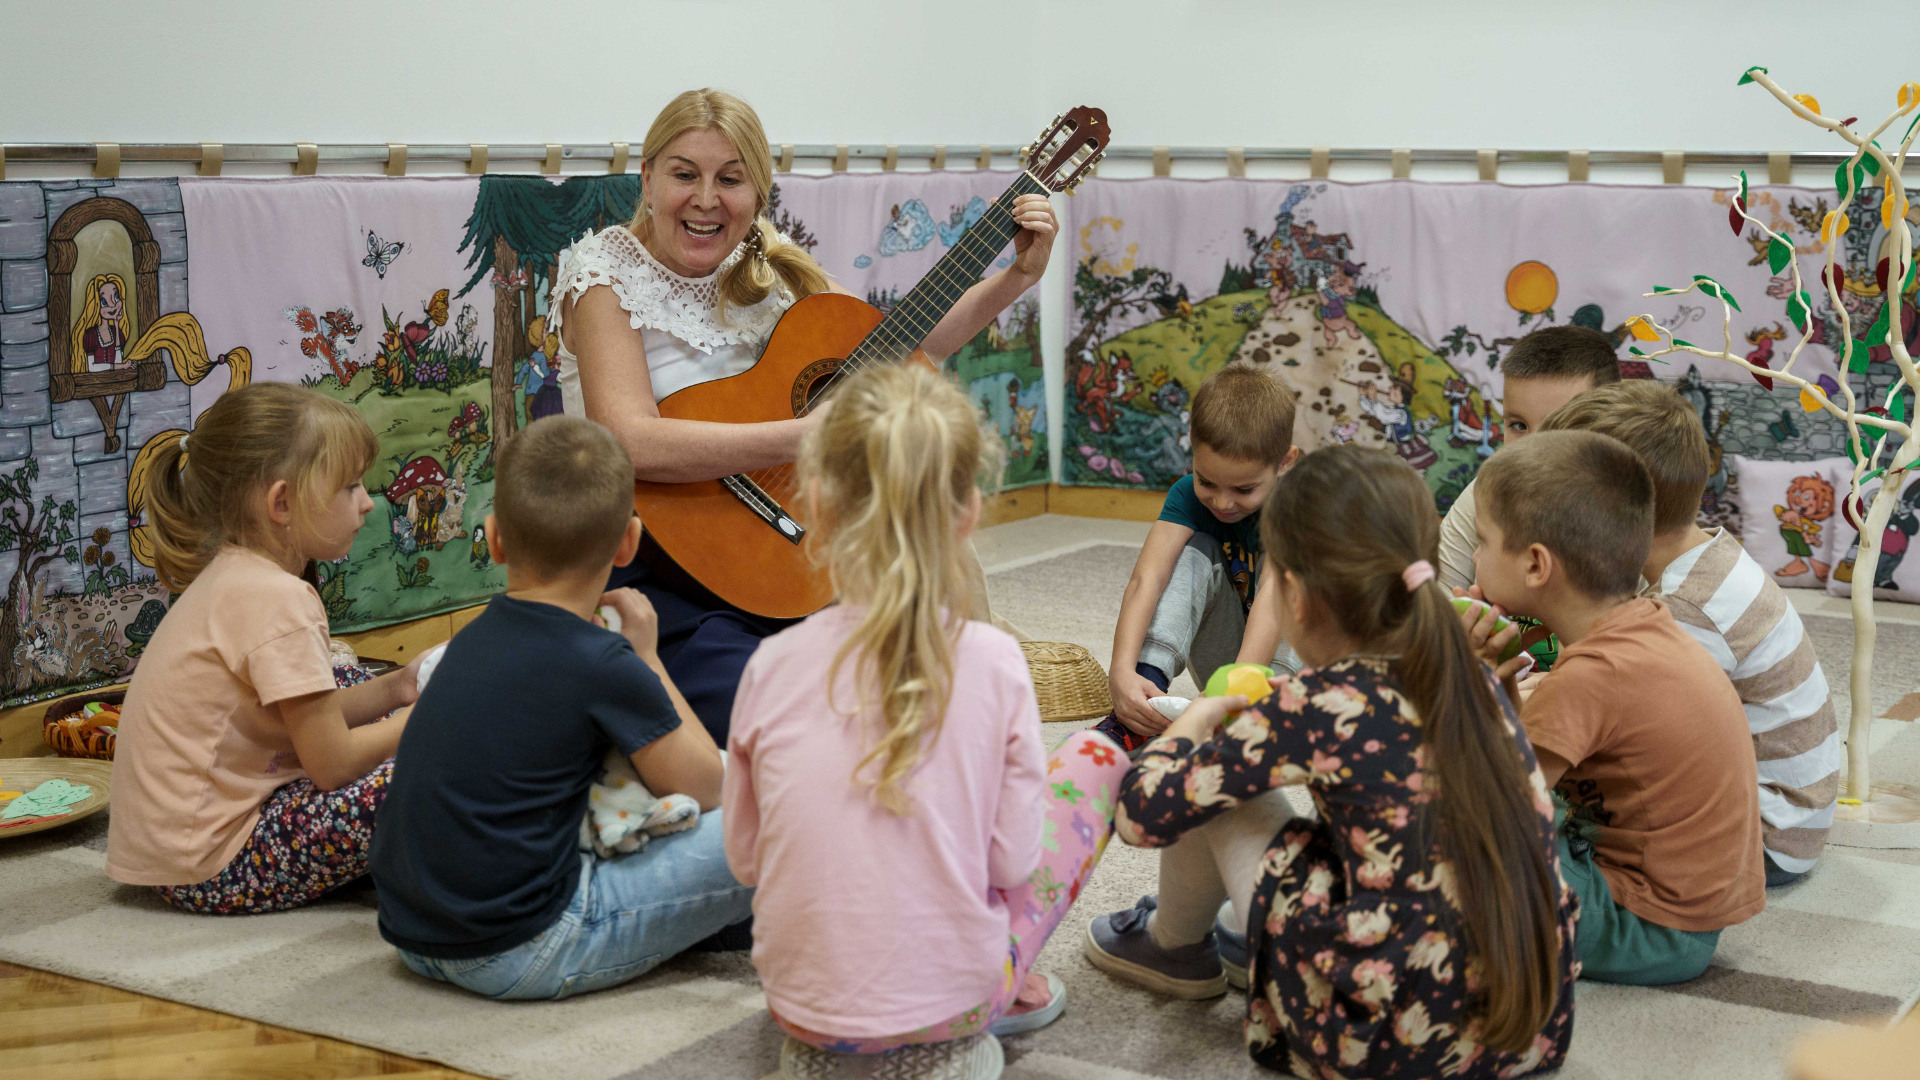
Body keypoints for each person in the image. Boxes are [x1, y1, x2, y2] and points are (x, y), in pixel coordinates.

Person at [549, 88, 1055, 744]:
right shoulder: (603, 279)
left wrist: (1016, 277)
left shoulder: (769, 264)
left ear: (759, 193)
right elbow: (630, 439)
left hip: (782, 548)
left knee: (924, 679)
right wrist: (805, 434)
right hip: (656, 558)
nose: (706, 199)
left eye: (730, 179)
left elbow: (906, 348)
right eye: (684, 174)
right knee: (783, 712)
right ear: (647, 179)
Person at [1085, 444, 1576, 1078]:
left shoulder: (1320, 701)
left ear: (1293, 595)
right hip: (1529, 1032)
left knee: (1210, 767)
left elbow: (1142, 815)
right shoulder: (1472, 675)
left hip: (1378, 1045)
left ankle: (1173, 947)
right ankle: (1224, 937)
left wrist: (1199, 719)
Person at [724, 367, 1129, 1080]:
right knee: (1097, 759)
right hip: (955, 1005)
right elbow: (1010, 864)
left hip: (799, 1008)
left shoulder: (768, 665)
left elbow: (746, 862)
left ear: (815, 504)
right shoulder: (998, 662)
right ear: (968, 512)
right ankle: (978, 1006)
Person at [371, 416, 746, 998]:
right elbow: (707, 789)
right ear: (629, 542)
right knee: (779, 818)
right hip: (521, 949)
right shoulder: (603, 661)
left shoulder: (468, 641)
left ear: (494, 538)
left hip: (411, 937)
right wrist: (647, 657)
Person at [106, 384, 422, 914]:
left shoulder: (236, 575)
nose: (367, 501)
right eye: (349, 487)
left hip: (174, 856)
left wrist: (398, 686)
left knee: (342, 683)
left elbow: (297, 713)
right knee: (425, 768)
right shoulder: (280, 599)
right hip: (214, 864)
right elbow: (333, 764)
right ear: (281, 502)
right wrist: (422, 717)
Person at [1464, 430, 1765, 983]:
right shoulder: (1643, 625)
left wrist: (1456, 683)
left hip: (1646, 926)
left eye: (1482, 541)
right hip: (1677, 915)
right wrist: (1496, 679)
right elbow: (1524, 757)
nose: (1474, 556)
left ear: (1536, 565)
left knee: (1442, 839)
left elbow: (1497, 801)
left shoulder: (1592, 675)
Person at [1538, 381, 1837, 886]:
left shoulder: (1686, 608)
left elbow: (1626, 724)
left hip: (1765, 836)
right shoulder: (1711, 556)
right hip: (1792, 814)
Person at [1094, 365, 1302, 754]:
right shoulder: (1186, 494)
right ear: (1190, 443)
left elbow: (1274, 599)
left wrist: (1232, 690)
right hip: (1227, 664)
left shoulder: (1295, 504)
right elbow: (1147, 580)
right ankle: (1138, 710)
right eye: (1207, 481)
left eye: (1244, 489)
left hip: (1289, 675)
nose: (1223, 503)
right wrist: (1121, 672)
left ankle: (1240, 727)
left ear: (1285, 462)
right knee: (1193, 553)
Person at [1436, 325, 1623, 593]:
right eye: (1519, 426)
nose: (1532, 448)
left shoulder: (1629, 514)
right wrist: (1463, 634)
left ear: (1606, 425)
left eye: (1556, 428)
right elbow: (1431, 608)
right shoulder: (1484, 495)